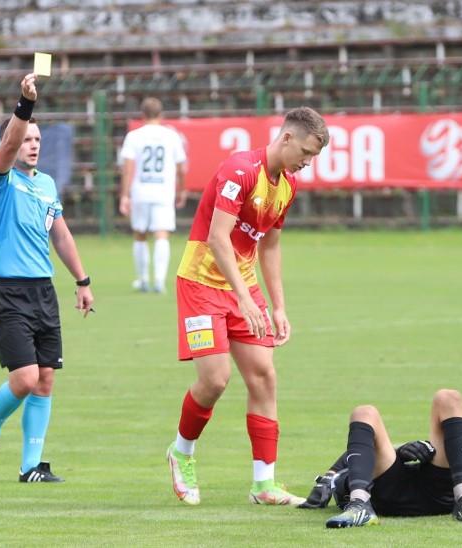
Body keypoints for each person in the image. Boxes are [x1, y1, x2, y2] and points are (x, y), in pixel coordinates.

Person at [166, 106, 330, 506]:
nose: (307, 163)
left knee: (264, 377)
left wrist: (278, 307)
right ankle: (181, 452)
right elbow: (218, 238)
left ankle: (264, 484)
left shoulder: (287, 186)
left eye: (313, 158)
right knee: (216, 380)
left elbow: (270, 246)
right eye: (306, 153)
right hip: (201, 283)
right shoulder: (239, 171)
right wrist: (242, 297)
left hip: (243, 285)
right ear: (287, 137)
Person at [0, 72, 95, 483]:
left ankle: (31, 468)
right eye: (27, 138)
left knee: (44, 380)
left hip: (43, 290)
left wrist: (81, 279)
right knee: (23, 379)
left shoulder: (46, 185)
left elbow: (59, 233)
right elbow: (8, 143)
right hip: (8, 292)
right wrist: (25, 104)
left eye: (37, 139)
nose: (33, 144)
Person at [296, 388, 462, 528]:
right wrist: (399, 453)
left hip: (437, 493)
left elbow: (358, 453)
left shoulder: (355, 459)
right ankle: (359, 506)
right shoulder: (354, 467)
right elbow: (359, 454)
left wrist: (416, 450)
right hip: (383, 493)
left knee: (449, 397)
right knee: (364, 412)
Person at [118, 97, 188, 294]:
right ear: (161, 114)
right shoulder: (171, 135)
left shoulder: (134, 135)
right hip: (163, 191)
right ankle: (159, 281)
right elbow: (181, 166)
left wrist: (124, 195)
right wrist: (182, 189)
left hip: (140, 190)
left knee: (140, 234)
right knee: (161, 234)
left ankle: (142, 279)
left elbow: (127, 168)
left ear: (143, 114)